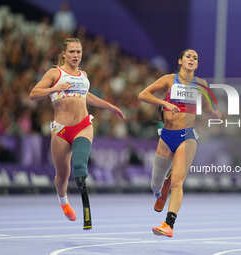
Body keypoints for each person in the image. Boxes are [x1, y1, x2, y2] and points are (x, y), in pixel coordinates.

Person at [29, 38, 125, 229]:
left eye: (78, 52)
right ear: (64, 54)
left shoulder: (84, 75)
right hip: (61, 130)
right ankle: (63, 201)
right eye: (72, 52)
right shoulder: (55, 73)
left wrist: (110, 106)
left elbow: (87, 96)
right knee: (62, 175)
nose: (75, 56)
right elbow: (33, 94)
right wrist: (55, 88)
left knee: (79, 166)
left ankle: (82, 185)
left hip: (83, 125)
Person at [138, 49, 221, 237]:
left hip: (187, 136)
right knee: (155, 185)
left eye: (195, 58)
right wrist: (164, 103)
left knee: (178, 181)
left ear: (197, 64)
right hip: (167, 136)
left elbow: (206, 106)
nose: (192, 59)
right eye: (188, 56)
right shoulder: (169, 79)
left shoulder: (201, 84)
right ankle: (162, 187)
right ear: (180, 61)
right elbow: (143, 95)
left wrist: (214, 113)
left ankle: (169, 224)